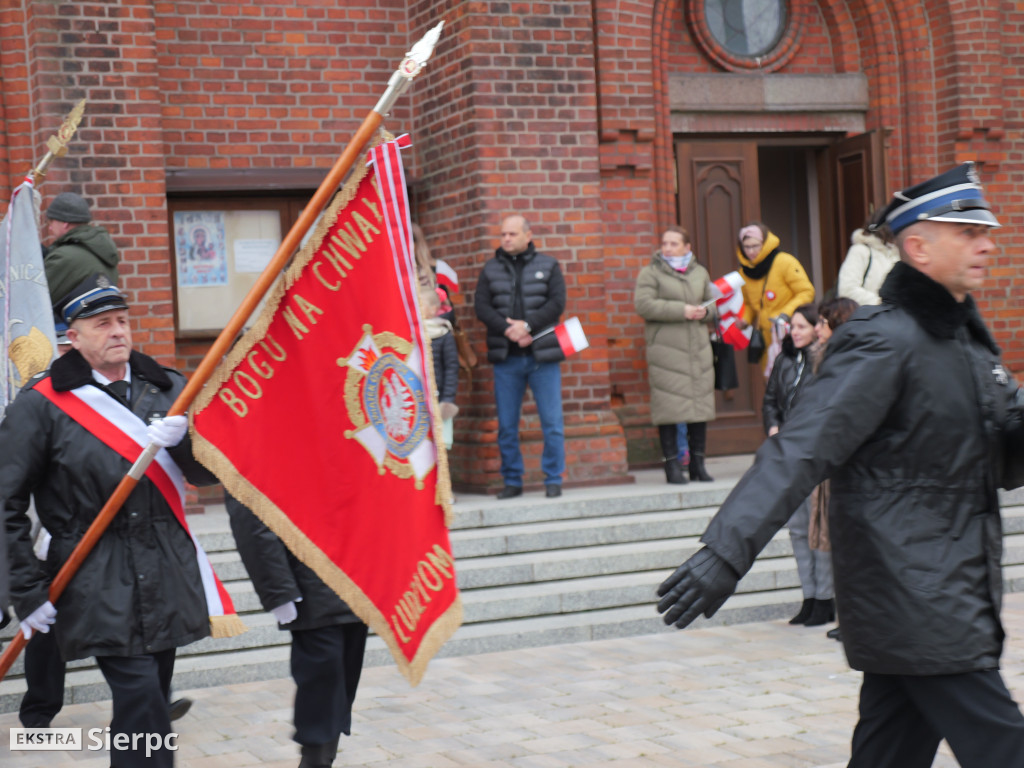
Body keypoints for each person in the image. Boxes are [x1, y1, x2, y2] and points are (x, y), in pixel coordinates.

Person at [656, 163, 1024, 767]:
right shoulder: (885, 340)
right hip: (918, 595)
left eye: (986, 229)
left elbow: (998, 456)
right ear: (918, 247)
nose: (987, 242)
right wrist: (726, 550)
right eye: (967, 231)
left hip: (945, 592)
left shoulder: (967, 344)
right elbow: (801, 446)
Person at [1, 274, 218, 767]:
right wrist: (26, 590)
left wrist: (186, 439)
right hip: (93, 570)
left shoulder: (168, 388)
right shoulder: (41, 404)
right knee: (143, 699)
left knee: (148, 703)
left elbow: (206, 473)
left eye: (123, 320)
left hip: (165, 565)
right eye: (103, 324)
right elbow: (5, 501)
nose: (118, 331)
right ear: (72, 337)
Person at [225, 494, 368, 768]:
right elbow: (250, 512)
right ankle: (314, 758)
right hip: (306, 575)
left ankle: (325, 755)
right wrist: (278, 590)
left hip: (353, 571)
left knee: (343, 678)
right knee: (322, 675)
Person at [474, 214, 567, 499]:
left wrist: (528, 326)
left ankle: (553, 478)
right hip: (507, 358)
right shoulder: (490, 269)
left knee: (552, 423)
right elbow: (482, 307)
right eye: (503, 234)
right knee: (506, 425)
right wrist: (508, 329)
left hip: (542, 358)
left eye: (512, 234)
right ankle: (512, 480)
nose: (506, 239)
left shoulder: (548, 265)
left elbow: (556, 304)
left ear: (528, 235)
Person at [761, 303, 833, 627]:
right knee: (797, 530)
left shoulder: (826, 361)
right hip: (787, 455)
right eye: (793, 326)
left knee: (819, 531)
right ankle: (808, 597)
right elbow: (770, 401)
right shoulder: (784, 359)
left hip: (815, 458)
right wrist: (773, 425)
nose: (796, 332)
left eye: (803, 326)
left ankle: (825, 599)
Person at [634, 226, 716, 484]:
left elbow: (712, 303)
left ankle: (698, 465)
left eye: (673, 243)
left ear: (687, 247)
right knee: (669, 409)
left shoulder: (700, 272)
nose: (667, 248)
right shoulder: (651, 272)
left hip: (697, 350)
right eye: (665, 243)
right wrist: (683, 310)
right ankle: (671, 466)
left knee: (699, 407)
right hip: (666, 353)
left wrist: (706, 312)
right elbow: (644, 304)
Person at [809, 296, 859, 643]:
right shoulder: (824, 358)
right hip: (829, 462)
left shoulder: (853, 361)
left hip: (848, 466)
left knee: (851, 544)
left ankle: (855, 618)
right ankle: (848, 616)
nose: (816, 329)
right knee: (838, 544)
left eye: (823, 323)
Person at [736, 222, 815, 371]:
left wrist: (785, 313)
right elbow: (749, 304)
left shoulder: (784, 261)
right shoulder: (744, 272)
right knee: (772, 382)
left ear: (765, 243)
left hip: (790, 332)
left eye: (755, 246)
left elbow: (806, 291)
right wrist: (745, 320)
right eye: (747, 247)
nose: (751, 251)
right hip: (766, 337)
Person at [41, 192, 120, 334]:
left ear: (64, 224)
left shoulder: (64, 257)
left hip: (73, 339)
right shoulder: (102, 250)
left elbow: (36, 300)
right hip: (102, 333)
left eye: (51, 222)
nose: (50, 228)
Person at [837, 215, 899, 306]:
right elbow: (847, 290)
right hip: (868, 316)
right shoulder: (860, 251)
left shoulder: (897, 254)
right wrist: (880, 303)